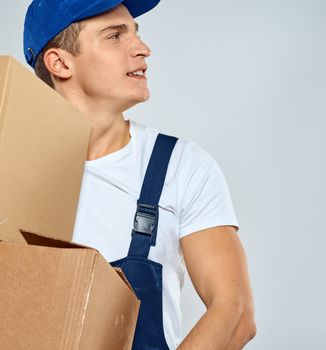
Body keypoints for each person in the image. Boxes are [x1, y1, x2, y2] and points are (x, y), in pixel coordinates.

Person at [23, 1, 256, 349]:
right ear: (60, 63)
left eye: (136, 32)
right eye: (115, 36)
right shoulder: (9, 173)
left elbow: (234, 313)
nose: (143, 49)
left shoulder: (181, 167)